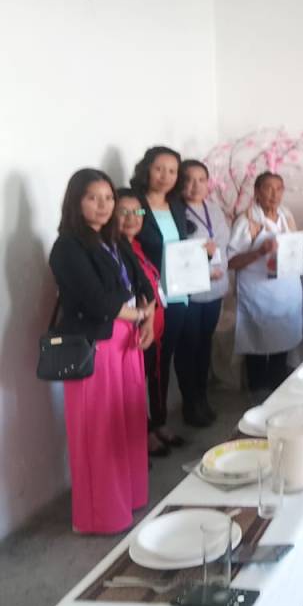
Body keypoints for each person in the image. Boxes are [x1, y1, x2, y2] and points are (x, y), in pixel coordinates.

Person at [49, 169, 155, 534]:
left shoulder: (114, 240)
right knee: (98, 429)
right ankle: (101, 516)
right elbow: (95, 300)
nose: (103, 205)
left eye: (108, 198)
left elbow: (142, 284)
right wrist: (136, 314)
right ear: (76, 202)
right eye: (93, 198)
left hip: (127, 339)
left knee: (125, 422)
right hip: (94, 345)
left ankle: (130, 498)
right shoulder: (67, 247)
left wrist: (148, 318)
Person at [130, 146, 203, 432]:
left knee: (173, 359)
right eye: (159, 169)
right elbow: (131, 244)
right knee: (154, 365)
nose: (165, 176)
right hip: (153, 299)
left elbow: (181, 247)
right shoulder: (137, 204)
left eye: (172, 171)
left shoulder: (176, 205)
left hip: (181, 293)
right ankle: (152, 427)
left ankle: (163, 422)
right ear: (146, 169)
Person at [227, 172, 303, 398]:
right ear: (257, 192)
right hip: (259, 295)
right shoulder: (247, 221)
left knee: (283, 342)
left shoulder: (286, 216)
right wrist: (259, 251)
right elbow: (231, 261)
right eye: (268, 188)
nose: (274, 194)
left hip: (287, 292)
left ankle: (278, 393)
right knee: (257, 345)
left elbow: (293, 250)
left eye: (279, 189)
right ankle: (258, 396)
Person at [115, 188, 170, 458]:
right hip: (133, 331)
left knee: (153, 379)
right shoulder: (115, 249)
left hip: (152, 326)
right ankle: (144, 435)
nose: (132, 218)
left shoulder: (137, 245)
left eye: (137, 211)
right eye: (123, 212)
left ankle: (155, 427)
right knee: (135, 388)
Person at [178, 160, 231, 422]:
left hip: (215, 289)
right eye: (189, 179)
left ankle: (202, 398)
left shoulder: (214, 208)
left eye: (201, 179)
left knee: (204, 345)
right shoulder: (177, 211)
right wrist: (204, 266)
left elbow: (222, 243)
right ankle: (190, 404)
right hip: (191, 291)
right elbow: (179, 254)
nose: (195, 185)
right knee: (188, 347)